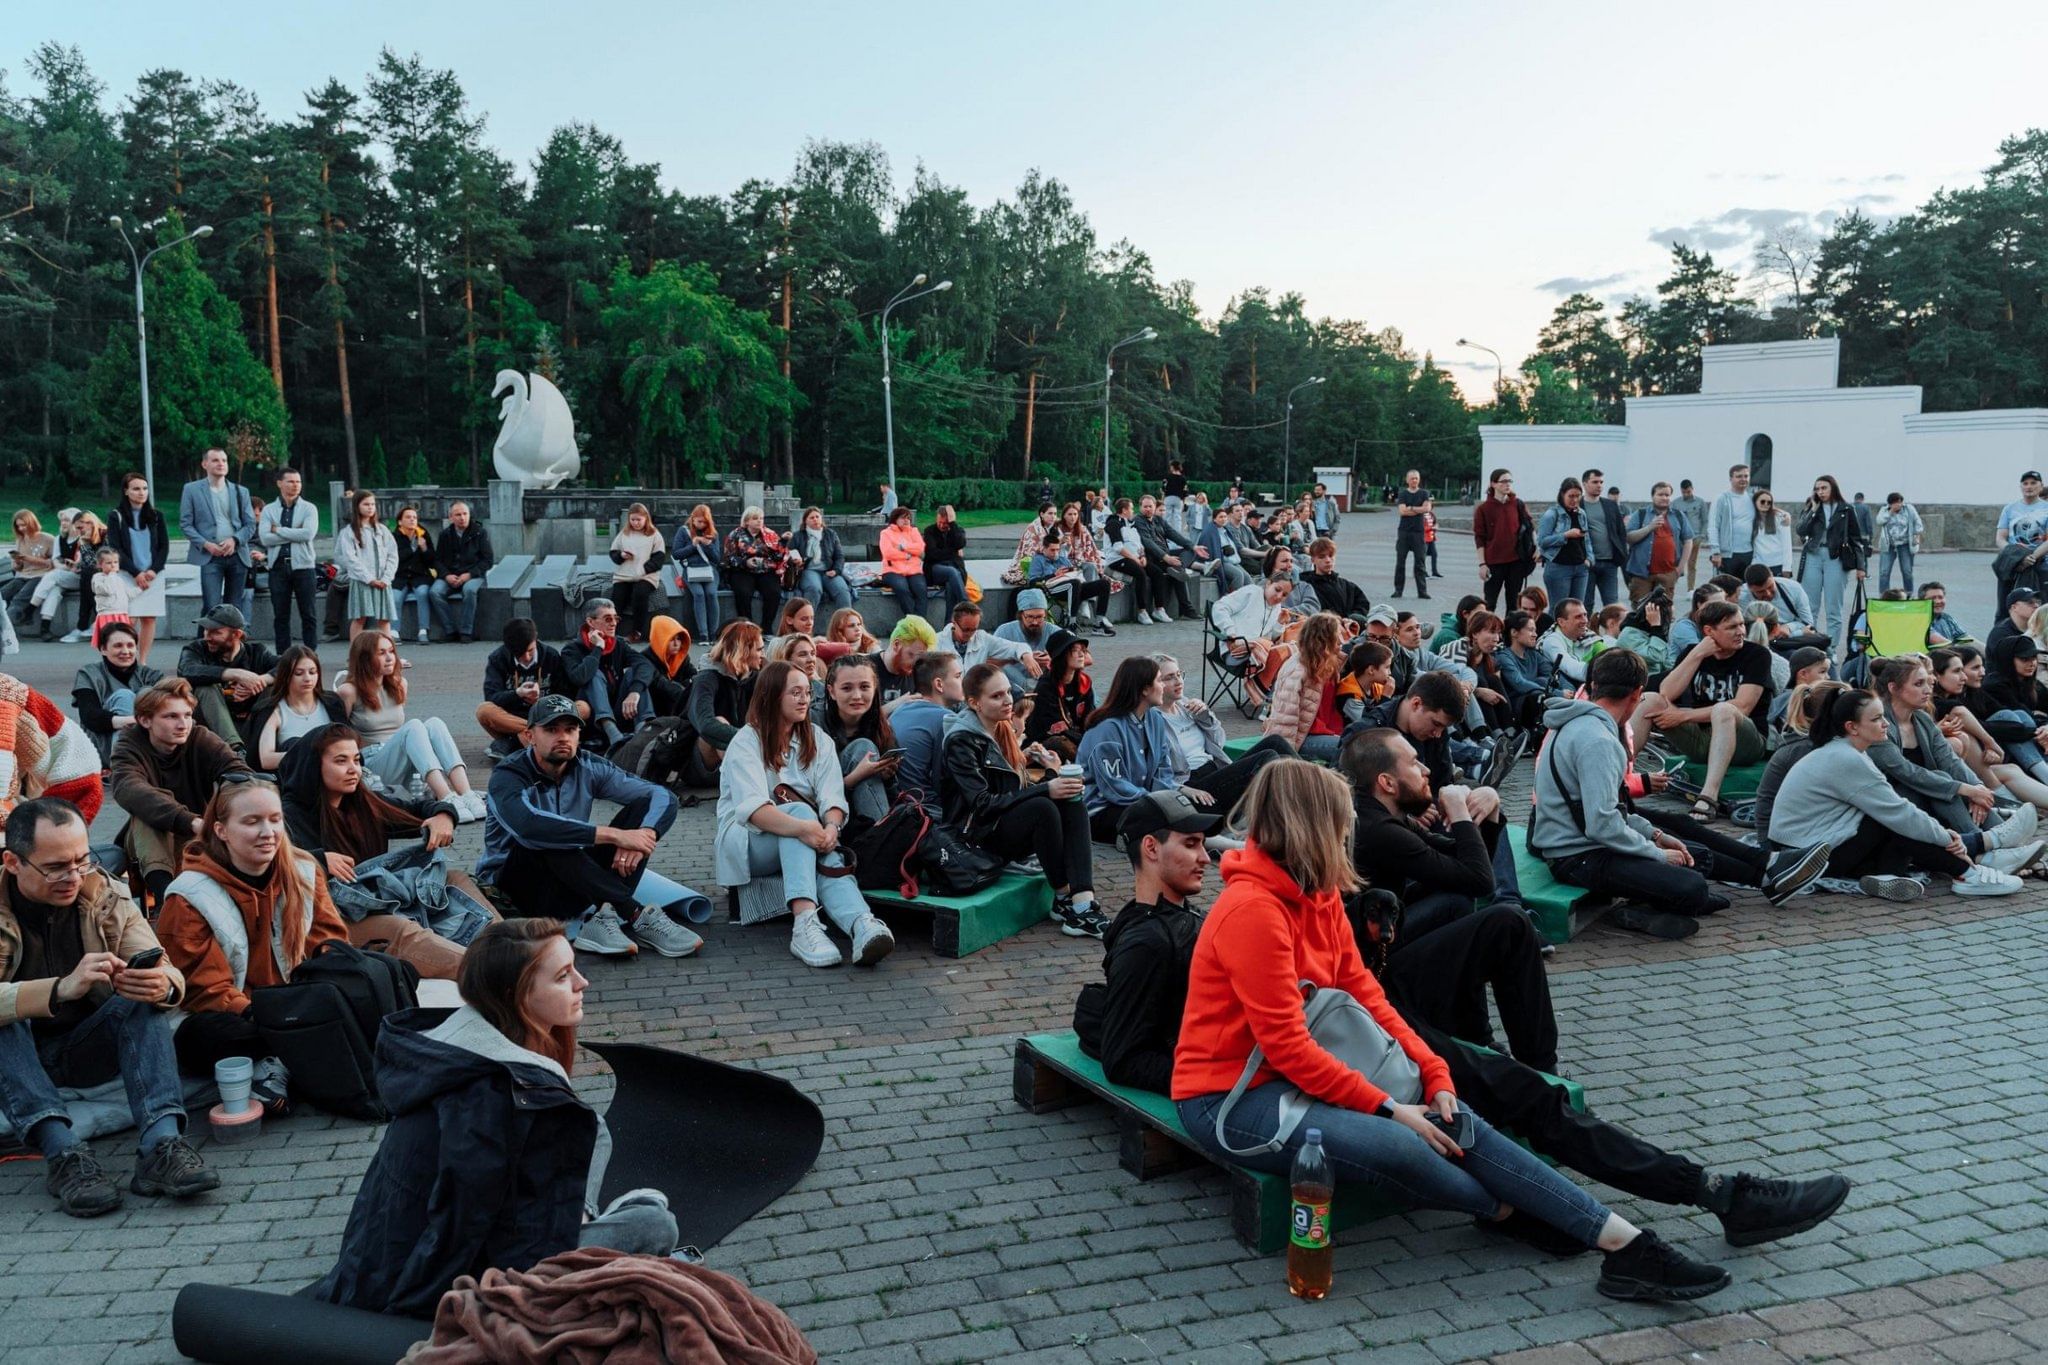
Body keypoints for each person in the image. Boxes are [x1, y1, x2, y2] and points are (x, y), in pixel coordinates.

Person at [1173, 760, 1731, 1300]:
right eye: (1341, 822)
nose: (1349, 833)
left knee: (1453, 1116)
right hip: (1229, 1099)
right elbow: (1286, 1046)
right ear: (1314, 826)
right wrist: (1389, 1108)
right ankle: (1507, 1212)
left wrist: (1432, 1073)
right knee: (1404, 1143)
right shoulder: (1253, 911)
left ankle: (1627, 1244)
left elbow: (1366, 993)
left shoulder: (1316, 894)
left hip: (1295, 1076)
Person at [311, 918, 682, 1319]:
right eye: (562, 976)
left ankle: (584, 1212)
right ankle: (594, 1217)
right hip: (441, 1281)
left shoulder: (458, 1047)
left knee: (595, 1129)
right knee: (655, 1223)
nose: (582, 983)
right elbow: (463, 1233)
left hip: (388, 1250)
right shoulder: (489, 1098)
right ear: (517, 995)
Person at [0, 796, 221, 1216]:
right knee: (7, 1016)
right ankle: (64, 1156)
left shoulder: (105, 893)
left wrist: (160, 984)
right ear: (13, 862)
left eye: (81, 860)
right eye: (56, 867)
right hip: (14, 1061)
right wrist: (59, 989)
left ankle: (161, 1146)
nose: (73, 876)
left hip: (86, 1049)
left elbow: (170, 973)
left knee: (141, 999)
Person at [1533, 650, 1830, 940]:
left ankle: (1766, 872)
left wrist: (1655, 834)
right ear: (1637, 694)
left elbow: (1609, 812)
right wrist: (1657, 853)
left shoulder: (1580, 724)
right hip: (1576, 857)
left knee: (1683, 851)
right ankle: (1641, 910)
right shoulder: (1598, 740)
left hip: (1580, 844)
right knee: (1690, 886)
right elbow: (1602, 824)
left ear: (1595, 686)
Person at [152, 777, 351, 1075]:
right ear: (221, 831)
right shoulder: (189, 894)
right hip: (234, 1012)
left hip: (292, 1002)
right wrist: (267, 1016)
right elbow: (204, 989)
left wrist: (314, 999)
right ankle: (301, 1049)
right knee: (219, 1037)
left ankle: (294, 1051)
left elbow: (330, 945)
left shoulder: (304, 871)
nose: (267, 833)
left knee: (373, 982)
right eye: (251, 822)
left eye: (275, 820)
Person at [478, 693, 701, 958]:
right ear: (529, 736)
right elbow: (529, 826)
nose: (563, 737)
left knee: (641, 811)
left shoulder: (588, 765)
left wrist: (644, 835)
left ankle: (601, 916)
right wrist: (615, 836)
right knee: (548, 838)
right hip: (516, 890)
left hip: (571, 879)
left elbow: (662, 796)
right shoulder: (508, 775)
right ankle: (634, 913)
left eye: (570, 729)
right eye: (551, 729)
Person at [716, 661, 893, 968]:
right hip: (747, 843)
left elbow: (833, 797)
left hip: (800, 836)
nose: (803, 700)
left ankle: (862, 925)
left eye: (807, 693)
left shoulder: (817, 738)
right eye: (794, 693)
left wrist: (831, 829)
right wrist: (805, 828)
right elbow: (753, 811)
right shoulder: (746, 742)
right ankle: (804, 924)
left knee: (823, 851)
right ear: (771, 696)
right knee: (799, 818)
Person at [1768, 688, 2022, 901]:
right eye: (1877, 719)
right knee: (1898, 820)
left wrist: (1943, 837)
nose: (1886, 723)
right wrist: (1947, 839)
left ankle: (1887, 873)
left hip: (1815, 846)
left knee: (1901, 821)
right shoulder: (1845, 758)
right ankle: (1969, 871)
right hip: (1805, 858)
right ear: (1852, 727)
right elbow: (1898, 812)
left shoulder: (1844, 751)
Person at [279, 725, 494, 968]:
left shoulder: (364, 803)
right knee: (401, 929)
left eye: (357, 759)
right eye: (341, 761)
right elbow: (274, 864)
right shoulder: (288, 814)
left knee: (455, 879)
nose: (354, 769)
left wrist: (444, 814)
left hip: (379, 901)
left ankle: (512, 946)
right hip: (333, 917)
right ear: (314, 766)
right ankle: (487, 973)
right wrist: (318, 860)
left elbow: (419, 809)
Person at [939, 661, 1103, 935]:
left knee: (1071, 799)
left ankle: (1083, 906)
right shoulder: (961, 741)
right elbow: (981, 805)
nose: (1008, 701)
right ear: (974, 703)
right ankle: (1063, 898)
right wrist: (1046, 789)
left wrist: (1052, 775)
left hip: (1001, 825)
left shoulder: (1000, 729)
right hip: (974, 838)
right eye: (996, 696)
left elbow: (1018, 791)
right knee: (1042, 807)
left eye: (1007, 692)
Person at [1864, 656, 2042, 875]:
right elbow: (1907, 772)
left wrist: (1978, 789)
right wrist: (1964, 789)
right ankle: (1990, 851)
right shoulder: (1878, 723)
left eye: (1927, 683)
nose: (1927, 690)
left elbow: (1950, 760)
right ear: (1893, 688)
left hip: (1928, 795)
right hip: (1892, 801)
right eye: (1918, 684)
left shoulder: (1921, 718)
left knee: (1954, 780)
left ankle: (2008, 849)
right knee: (1946, 782)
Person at [1078, 655, 1280, 843]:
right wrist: (1165, 797)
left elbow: (1163, 770)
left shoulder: (1153, 719)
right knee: (1169, 813)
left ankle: (1226, 836)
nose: (1165, 686)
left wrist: (1168, 793)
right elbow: (1115, 788)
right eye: (1161, 680)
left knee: (1174, 808)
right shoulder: (1107, 730)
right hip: (1107, 811)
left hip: (1145, 798)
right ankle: (1228, 845)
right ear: (1144, 690)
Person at [108, 680, 249, 907]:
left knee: (242, 792)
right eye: (171, 716)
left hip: (201, 833)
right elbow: (129, 788)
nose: (183, 724)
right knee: (148, 814)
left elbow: (240, 774)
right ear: (145, 720)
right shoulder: (129, 744)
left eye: (187, 715)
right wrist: (190, 821)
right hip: (149, 844)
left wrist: (223, 814)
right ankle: (167, 898)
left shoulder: (199, 737)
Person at [1629, 602, 1771, 819]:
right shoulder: (1694, 652)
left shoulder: (1757, 655)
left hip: (1747, 742)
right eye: (1732, 627)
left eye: (1742, 625)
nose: (1741, 631)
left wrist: (1683, 716)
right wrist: (1697, 654)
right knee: (1649, 699)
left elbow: (1743, 706)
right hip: (1703, 738)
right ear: (1709, 632)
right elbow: (1667, 692)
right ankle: (1620, 777)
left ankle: (1708, 797)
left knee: (1724, 710)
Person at [338, 629, 484, 820]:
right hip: (374, 767)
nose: (390, 658)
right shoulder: (348, 691)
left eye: (391, 651)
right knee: (414, 726)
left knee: (434, 723)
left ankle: (466, 795)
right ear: (365, 658)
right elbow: (338, 736)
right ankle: (446, 796)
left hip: (405, 760)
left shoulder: (400, 684)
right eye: (381, 653)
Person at [175, 603, 277, 753]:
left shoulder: (257, 652)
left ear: (236, 634)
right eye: (206, 630)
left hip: (251, 724)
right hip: (209, 727)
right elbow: (186, 670)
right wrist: (236, 674)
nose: (207, 637)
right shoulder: (196, 648)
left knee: (275, 685)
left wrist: (259, 681)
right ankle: (235, 749)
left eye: (215, 632)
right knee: (206, 686)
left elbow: (292, 666)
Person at [815, 654, 898, 828]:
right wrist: (855, 777)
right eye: (847, 688)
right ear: (831, 691)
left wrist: (887, 778)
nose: (857, 696)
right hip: (823, 815)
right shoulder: (814, 724)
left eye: (864, 687)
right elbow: (809, 793)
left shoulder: (881, 726)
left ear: (875, 688)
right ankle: (881, 838)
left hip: (865, 813)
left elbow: (892, 795)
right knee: (863, 748)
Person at [478, 617, 584, 751]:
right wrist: (517, 694)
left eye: (530, 651)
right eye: (520, 654)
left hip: (548, 715)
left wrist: (542, 700)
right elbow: (491, 697)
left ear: (536, 639)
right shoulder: (498, 658)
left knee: (584, 707)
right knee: (484, 711)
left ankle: (515, 742)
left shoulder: (550, 655)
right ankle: (537, 736)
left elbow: (566, 693)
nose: (527, 658)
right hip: (514, 717)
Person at [561, 597, 652, 750]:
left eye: (616, 618)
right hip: (592, 717)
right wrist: (598, 649)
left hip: (621, 709)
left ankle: (643, 732)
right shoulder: (572, 649)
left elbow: (645, 664)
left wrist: (634, 692)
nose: (614, 623)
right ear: (591, 622)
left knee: (634, 673)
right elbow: (579, 678)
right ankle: (613, 733)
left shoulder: (619, 644)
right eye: (608, 619)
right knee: (594, 674)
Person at [72, 623, 163, 769]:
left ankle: (137, 766)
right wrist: (134, 721)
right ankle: (124, 768)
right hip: (102, 744)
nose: (125, 651)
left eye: (130, 645)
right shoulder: (89, 673)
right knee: (124, 696)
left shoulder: (150, 675)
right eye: (118, 646)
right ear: (103, 649)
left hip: (147, 739)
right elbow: (90, 716)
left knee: (147, 692)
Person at [177, 447, 257, 614]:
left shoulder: (240, 491)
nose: (221, 464)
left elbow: (250, 524)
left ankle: (231, 640)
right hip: (210, 557)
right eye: (215, 460)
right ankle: (205, 640)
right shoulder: (191, 490)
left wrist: (234, 540)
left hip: (237, 555)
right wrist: (206, 544)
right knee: (211, 606)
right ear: (204, 464)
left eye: (224, 460)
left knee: (234, 608)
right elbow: (186, 524)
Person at [684, 620, 762, 786]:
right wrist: (750, 738)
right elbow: (705, 725)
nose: (763, 654)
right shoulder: (706, 679)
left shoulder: (754, 676)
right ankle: (744, 789)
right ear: (745, 651)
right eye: (759, 649)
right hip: (698, 763)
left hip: (741, 754)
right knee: (719, 722)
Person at [1263, 612, 1349, 763]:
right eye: (1337, 637)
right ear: (1324, 641)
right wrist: (1288, 757)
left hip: (1330, 731)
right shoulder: (1297, 671)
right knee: (1349, 751)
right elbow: (1285, 719)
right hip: (1303, 738)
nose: (1341, 642)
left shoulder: (1329, 663)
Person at [1794, 474, 1866, 646]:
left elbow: (1856, 538)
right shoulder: (1813, 507)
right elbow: (1800, 530)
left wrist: (1861, 567)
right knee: (1810, 606)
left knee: (1834, 607)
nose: (1821, 492)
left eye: (1824, 488)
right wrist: (1812, 509)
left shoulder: (1846, 509)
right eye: (1817, 489)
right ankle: (1810, 645)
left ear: (1833, 488)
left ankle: (1832, 648)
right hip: (1813, 554)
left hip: (1836, 557)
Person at [251, 645, 348, 771]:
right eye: (298, 673)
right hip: (293, 776)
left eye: (312, 672)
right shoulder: (272, 711)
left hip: (334, 774)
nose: (307, 678)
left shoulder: (332, 703)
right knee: (293, 743)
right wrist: (312, 756)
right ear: (286, 676)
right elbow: (266, 760)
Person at [254, 467, 319, 651]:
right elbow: (265, 538)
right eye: (291, 481)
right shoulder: (269, 510)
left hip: (304, 567)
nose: (295, 485)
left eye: (298, 481)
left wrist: (278, 530)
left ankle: (310, 654)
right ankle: (283, 657)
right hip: (278, 567)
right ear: (279, 483)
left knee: (309, 614)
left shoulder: (309, 508)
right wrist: (294, 532)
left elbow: (307, 534)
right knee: (281, 615)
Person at [108, 473, 170, 663]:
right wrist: (136, 573)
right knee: (129, 619)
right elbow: (115, 548)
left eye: (144, 488)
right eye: (136, 488)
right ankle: (126, 658)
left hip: (153, 575)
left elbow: (164, 546)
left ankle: (142, 661)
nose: (141, 492)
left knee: (149, 619)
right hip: (128, 574)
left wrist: (153, 570)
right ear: (126, 491)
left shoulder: (157, 516)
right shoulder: (116, 516)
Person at [891, 651, 962, 804]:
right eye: (958, 676)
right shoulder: (947, 720)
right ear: (939, 684)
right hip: (926, 810)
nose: (963, 682)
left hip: (895, 805)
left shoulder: (899, 711)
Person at [334, 488, 399, 639]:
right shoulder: (349, 532)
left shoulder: (382, 530)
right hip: (363, 581)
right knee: (360, 618)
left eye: (372, 504)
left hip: (383, 580)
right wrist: (369, 578)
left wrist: (386, 578)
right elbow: (350, 558)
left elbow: (392, 555)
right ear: (357, 506)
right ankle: (354, 656)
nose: (370, 507)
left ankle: (389, 654)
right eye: (366, 504)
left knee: (384, 619)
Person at [1028, 526, 1116, 634]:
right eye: (1052, 550)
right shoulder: (1038, 560)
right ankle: (1071, 624)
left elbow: (1073, 572)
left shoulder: (1061, 559)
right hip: (1051, 588)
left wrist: (1073, 571)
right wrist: (1053, 575)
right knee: (1074, 584)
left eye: (1057, 549)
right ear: (1044, 549)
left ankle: (1098, 623)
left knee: (1104, 584)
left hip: (1073, 586)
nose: (1055, 553)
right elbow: (1032, 582)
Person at [1132, 493, 1206, 621]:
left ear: (1155, 507)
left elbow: (1173, 534)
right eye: (1145, 507)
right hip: (1154, 557)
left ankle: (1179, 568)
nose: (1148, 509)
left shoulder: (1158, 519)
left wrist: (1193, 546)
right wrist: (1166, 557)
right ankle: (1187, 610)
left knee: (1190, 551)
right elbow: (1147, 542)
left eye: (1150, 506)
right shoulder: (1138, 520)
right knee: (1176, 568)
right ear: (1140, 507)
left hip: (1167, 554)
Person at [1025, 628, 1094, 762]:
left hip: (1077, 738)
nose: (1081, 654)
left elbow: (1090, 717)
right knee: (1060, 742)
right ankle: (1090, 765)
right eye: (1074, 650)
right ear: (1061, 654)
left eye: (1083, 650)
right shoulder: (1046, 686)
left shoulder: (1084, 682)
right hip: (1044, 743)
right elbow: (1056, 727)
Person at [932, 600, 1041, 685]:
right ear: (954, 623)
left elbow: (1016, 647)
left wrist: (1027, 656)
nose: (970, 634)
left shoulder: (982, 638)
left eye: (974, 629)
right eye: (966, 629)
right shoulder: (936, 642)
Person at [430, 500, 493, 644]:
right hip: (450, 575)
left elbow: (487, 560)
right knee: (434, 592)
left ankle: (466, 631)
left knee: (469, 590)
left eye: (465, 514)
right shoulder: (445, 535)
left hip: (474, 575)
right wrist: (446, 575)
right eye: (458, 514)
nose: (462, 517)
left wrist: (469, 575)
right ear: (450, 517)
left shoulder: (479, 532)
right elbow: (437, 560)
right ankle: (450, 630)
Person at [1470, 469, 1534, 612]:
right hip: (1494, 562)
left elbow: (1529, 527)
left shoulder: (1517, 504)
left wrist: (1535, 549)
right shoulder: (1483, 509)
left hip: (1516, 561)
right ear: (1493, 484)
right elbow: (1479, 538)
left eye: (1510, 481)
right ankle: (1488, 631)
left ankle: (1512, 633)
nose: (1507, 484)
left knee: (1514, 603)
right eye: (1504, 481)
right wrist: (1482, 564)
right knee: (1490, 603)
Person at [1623, 482, 1692, 605]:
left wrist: (1680, 568)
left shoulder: (1678, 515)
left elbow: (1688, 540)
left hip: (1668, 573)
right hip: (1642, 574)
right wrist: (1650, 527)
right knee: (1640, 612)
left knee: (1664, 612)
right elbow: (1628, 537)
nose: (1664, 498)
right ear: (1653, 496)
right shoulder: (1640, 514)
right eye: (1660, 494)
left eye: (1667, 495)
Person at [607, 502, 666, 643]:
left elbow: (659, 559)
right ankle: (611, 631)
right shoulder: (624, 534)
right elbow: (613, 553)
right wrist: (621, 555)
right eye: (632, 519)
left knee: (640, 594)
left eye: (638, 519)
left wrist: (643, 570)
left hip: (647, 576)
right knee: (617, 597)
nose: (635, 523)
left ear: (646, 518)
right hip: (625, 575)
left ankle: (637, 632)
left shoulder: (655, 535)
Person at [722, 505, 787, 630]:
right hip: (742, 570)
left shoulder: (770, 534)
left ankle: (767, 627)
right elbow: (728, 557)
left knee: (774, 592)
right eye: (755, 518)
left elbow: (778, 557)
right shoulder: (735, 535)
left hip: (765, 569)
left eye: (761, 518)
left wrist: (783, 542)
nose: (759, 521)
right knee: (743, 592)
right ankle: (747, 627)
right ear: (747, 521)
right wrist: (745, 562)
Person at [993, 589, 1060, 699]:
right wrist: (1022, 658)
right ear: (1020, 615)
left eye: (1039, 617)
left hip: (1044, 681)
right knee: (1002, 667)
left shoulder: (1055, 631)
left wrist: (1053, 660)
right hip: (1013, 685)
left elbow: (1085, 658)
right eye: (1029, 617)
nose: (1035, 622)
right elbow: (987, 661)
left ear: (1046, 615)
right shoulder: (1004, 630)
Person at [671, 503, 723, 645]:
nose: (701, 525)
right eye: (699, 521)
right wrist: (693, 546)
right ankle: (703, 634)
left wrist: (707, 545)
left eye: (705, 522)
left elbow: (717, 558)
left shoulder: (713, 533)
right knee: (699, 594)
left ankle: (714, 633)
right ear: (693, 519)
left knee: (711, 594)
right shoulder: (683, 531)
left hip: (709, 569)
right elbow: (676, 554)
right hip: (691, 569)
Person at [1537, 477, 1592, 609]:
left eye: (1578, 496)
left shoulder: (1581, 513)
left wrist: (1589, 559)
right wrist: (1565, 535)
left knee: (1577, 609)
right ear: (1562, 495)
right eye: (1571, 496)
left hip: (1580, 567)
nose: (1574, 500)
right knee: (1559, 610)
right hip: (1559, 567)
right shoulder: (1551, 514)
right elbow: (1542, 541)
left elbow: (1587, 539)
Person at [788, 506, 852, 611]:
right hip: (809, 570)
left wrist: (836, 570)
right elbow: (788, 553)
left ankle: (845, 623)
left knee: (842, 590)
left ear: (821, 519)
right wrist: (795, 561)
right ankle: (807, 622)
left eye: (817, 517)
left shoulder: (831, 534)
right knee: (814, 589)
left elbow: (839, 556)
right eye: (811, 518)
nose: (815, 519)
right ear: (805, 521)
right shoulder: (798, 536)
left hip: (829, 570)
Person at [866, 614, 935, 708]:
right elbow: (859, 719)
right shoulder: (864, 668)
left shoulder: (916, 672)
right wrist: (897, 704)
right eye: (912, 655)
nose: (915, 662)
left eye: (920, 657)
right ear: (896, 645)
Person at [391, 504, 437, 646]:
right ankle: (394, 632)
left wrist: (424, 548)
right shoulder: (394, 537)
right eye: (408, 517)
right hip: (401, 576)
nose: (412, 520)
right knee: (395, 597)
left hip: (420, 575)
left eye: (414, 517)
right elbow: (395, 557)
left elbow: (431, 560)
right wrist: (412, 548)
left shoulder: (423, 534)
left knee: (423, 593)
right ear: (400, 521)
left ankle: (423, 630)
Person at [637, 614, 696, 719]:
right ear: (660, 640)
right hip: (656, 711)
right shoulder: (645, 658)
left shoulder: (681, 658)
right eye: (671, 639)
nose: (676, 643)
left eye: (678, 639)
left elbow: (694, 676)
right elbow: (661, 684)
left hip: (677, 706)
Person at [875, 505, 928, 622]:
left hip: (913, 571)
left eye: (908, 518)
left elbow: (920, 548)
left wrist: (903, 547)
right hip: (892, 571)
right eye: (903, 518)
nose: (906, 520)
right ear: (895, 519)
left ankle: (920, 623)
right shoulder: (886, 533)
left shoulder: (914, 531)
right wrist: (906, 555)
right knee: (902, 589)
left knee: (921, 590)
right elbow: (888, 552)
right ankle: (914, 623)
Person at [1299, 537, 1369, 625]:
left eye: (1331, 556)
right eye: (1322, 557)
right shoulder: (1305, 585)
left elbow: (1362, 604)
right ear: (1313, 560)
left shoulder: (1347, 585)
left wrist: (1351, 618)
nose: (1328, 560)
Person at [1706, 464, 1755, 577]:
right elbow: (1713, 526)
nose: (1743, 479)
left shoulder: (1752, 498)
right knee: (1725, 590)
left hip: (1749, 553)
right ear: (1730, 479)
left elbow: (1768, 509)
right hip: (1728, 555)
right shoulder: (1722, 499)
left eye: (1746, 476)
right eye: (1739, 476)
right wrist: (1716, 552)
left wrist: (1784, 515)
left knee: (1746, 590)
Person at [1871, 492, 1924, 594]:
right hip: (1888, 545)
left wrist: (1916, 537)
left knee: (1907, 571)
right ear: (1890, 504)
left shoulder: (1909, 509)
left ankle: (1909, 593)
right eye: (1895, 503)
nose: (1898, 505)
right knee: (1884, 572)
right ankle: (1884, 594)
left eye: (1900, 502)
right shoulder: (1884, 510)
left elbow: (1918, 522)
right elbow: (1879, 521)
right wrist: (1890, 511)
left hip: (1904, 544)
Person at [920, 504, 969, 613]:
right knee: (952, 572)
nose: (942, 525)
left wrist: (952, 524)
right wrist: (954, 552)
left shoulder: (957, 531)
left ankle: (949, 623)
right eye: (939, 522)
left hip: (954, 569)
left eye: (945, 523)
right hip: (934, 569)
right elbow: (932, 554)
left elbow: (960, 543)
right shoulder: (929, 531)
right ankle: (966, 605)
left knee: (951, 584)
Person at [1391, 468, 1432, 599]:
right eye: (1412, 478)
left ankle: (1422, 591)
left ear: (1419, 480)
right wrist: (1418, 509)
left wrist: (1412, 508)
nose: (1414, 480)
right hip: (1404, 532)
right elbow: (1402, 511)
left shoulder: (1424, 493)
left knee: (1420, 563)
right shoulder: (1403, 494)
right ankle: (1398, 590)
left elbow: (1427, 508)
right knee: (1400, 562)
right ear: (1407, 480)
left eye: (1416, 478)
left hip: (1418, 532)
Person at [1672, 480, 1710, 588]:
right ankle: (1671, 586)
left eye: (1688, 492)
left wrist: (1702, 535)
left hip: (1695, 537)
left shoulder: (1700, 502)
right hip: (1679, 539)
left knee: (1692, 564)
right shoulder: (1676, 503)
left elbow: (1705, 520)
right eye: (1684, 492)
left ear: (1692, 489)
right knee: (1676, 563)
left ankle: (1690, 589)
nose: (1686, 494)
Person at [1921, 582, 1972, 648]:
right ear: (1922, 602)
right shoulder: (1920, 621)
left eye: (1940, 597)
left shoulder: (1946, 618)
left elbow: (1965, 639)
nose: (1937, 601)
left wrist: (1987, 650)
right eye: (1932, 598)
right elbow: (1944, 644)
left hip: (1951, 652)